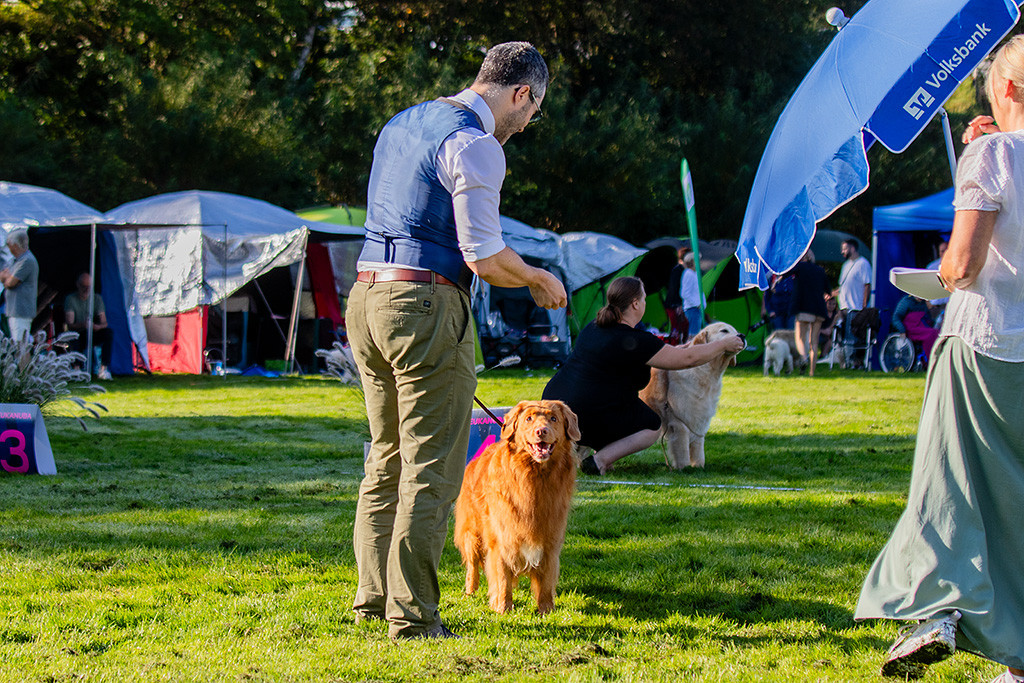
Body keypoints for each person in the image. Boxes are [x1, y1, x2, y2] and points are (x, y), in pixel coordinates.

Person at [347, 42, 567, 641]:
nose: (527, 123)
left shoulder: (402, 122)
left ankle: (373, 599)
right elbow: (484, 255)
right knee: (433, 466)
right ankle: (412, 616)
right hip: (424, 301)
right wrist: (536, 277)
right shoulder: (477, 144)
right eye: (533, 109)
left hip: (365, 296)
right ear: (521, 92)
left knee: (385, 457)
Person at [856, 35, 1024, 683]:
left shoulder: (988, 155)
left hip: (983, 346)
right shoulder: (993, 149)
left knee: (949, 486)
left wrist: (945, 270)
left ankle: (937, 606)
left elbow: (964, 262)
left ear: (1005, 91)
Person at [542, 276, 744, 475]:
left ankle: (583, 449)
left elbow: (668, 353)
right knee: (652, 425)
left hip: (554, 403)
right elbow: (688, 358)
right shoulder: (637, 340)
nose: (646, 303)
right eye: (645, 299)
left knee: (618, 406)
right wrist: (724, 345)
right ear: (636, 304)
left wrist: (677, 349)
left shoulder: (594, 327)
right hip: (587, 410)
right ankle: (600, 461)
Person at [788, 249, 830, 376]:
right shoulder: (820, 270)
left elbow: (786, 272)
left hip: (804, 308)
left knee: (800, 338)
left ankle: (804, 359)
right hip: (819, 309)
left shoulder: (800, 268)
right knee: (814, 342)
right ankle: (812, 372)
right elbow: (828, 290)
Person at [64, 272, 112, 380]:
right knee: (73, 337)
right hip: (79, 332)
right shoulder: (71, 299)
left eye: (89, 287)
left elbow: (104, 322)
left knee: (108, 333)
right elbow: (70, 324)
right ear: (78, 285)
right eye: (83, 286)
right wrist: (83, 325)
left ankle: (104, 369)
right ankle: (77, 369)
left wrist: (97, 327)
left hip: (93, 331)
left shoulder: (97, 299)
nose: (86, 290)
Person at [0, 229, 38, 342]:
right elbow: (3, 276)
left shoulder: (27, 261)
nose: (9, 248)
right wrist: (6, 278)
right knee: (19, 342)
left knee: (20, 343)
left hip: (21, 310)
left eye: (9, 245)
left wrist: (6, 279)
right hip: (14, 310)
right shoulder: (16, 261)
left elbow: (10, 283)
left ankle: (25, 360)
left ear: (16, 245)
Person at [838, 238, 871, 367]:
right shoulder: (845, 265)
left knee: (853, 338)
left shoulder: (863, 264)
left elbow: (867, 285)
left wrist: (863, 306)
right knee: (845, 337)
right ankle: (847, 361)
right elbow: (842, 286)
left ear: (852, 248)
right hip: (844, 308)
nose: (842, 251)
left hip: (855, 307)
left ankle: (853, 362)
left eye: (845, 248)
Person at [890, 293, 938, 360]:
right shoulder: (906, 301)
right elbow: (896, 318)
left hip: (921, 328)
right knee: (931, 333)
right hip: (910, 329)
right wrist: (902, 330)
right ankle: (930, 359)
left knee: (936, 332)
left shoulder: (924, 303)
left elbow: (928, 319)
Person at [663, 247, 688, 343]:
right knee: (677, 330)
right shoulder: (677, 270)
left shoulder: (684, 270)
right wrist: (677, 305)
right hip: (673, 305)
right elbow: (673, 289)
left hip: (678, 305)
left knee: (684, 328)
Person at [679, 251, 703, 339]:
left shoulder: (694, 274)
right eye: (698, 260)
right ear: (692, 261)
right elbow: (684, 293)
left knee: (695, 334)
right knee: (693, 335)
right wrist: (696, 304)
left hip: (696, 309)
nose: (700, 262)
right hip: (692, 308)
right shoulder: (688, 274)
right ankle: (690, 350)